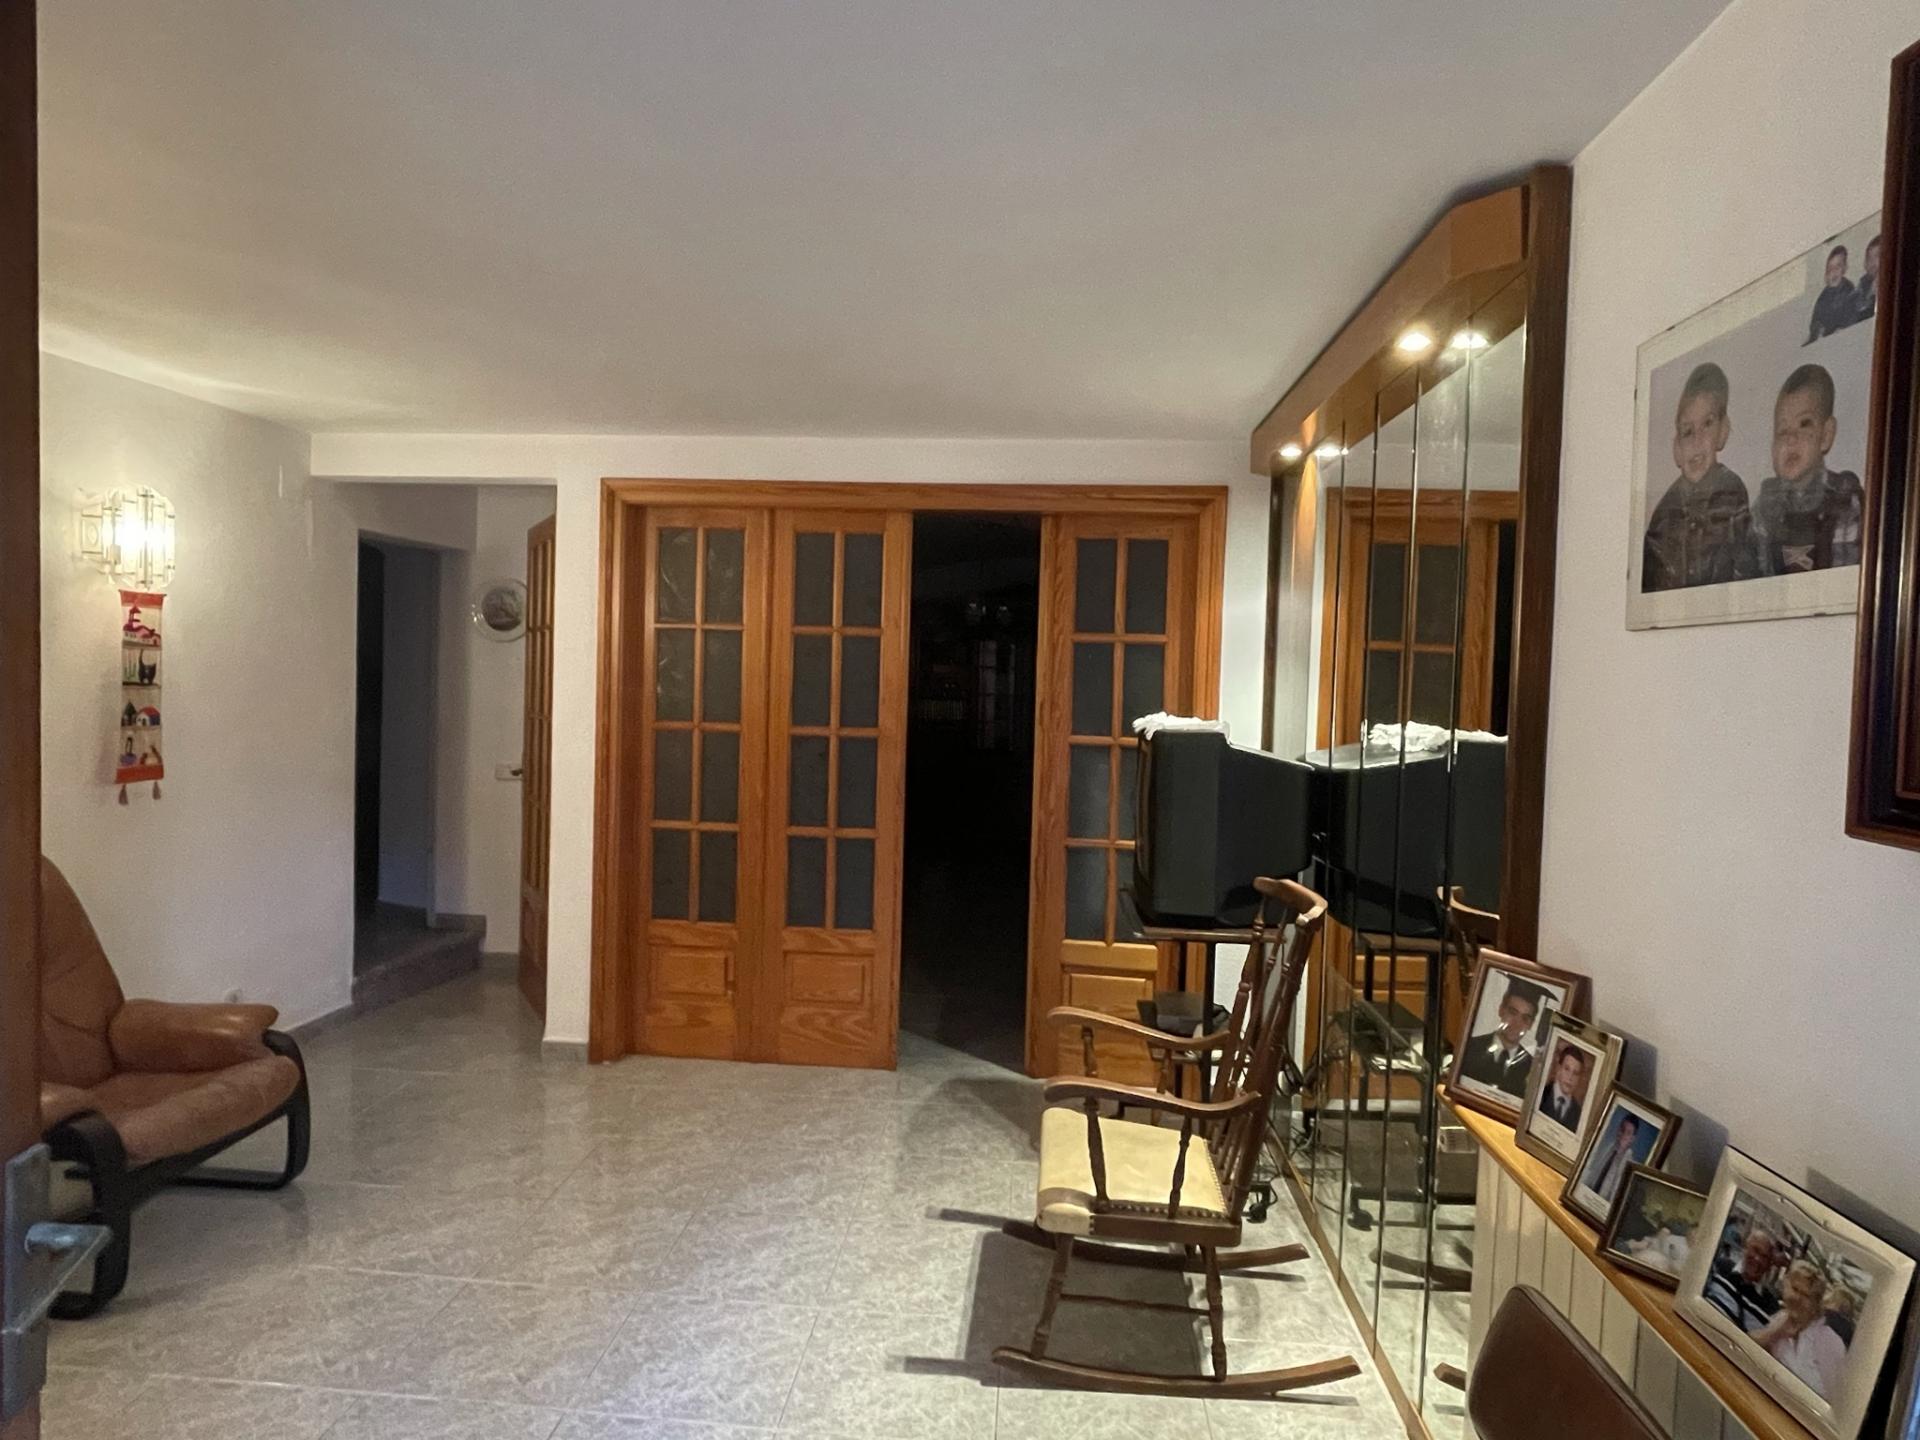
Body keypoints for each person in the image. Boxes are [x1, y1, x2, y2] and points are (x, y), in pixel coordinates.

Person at [1643, 362, 1757, 591]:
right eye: (1687, 431)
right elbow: (1649, 578)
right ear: (1677, 450)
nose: (1696, 440)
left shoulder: (1731, 490)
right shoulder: (1665, 510)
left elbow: (1745, 564)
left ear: (1723, 432)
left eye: (1707, 424)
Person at [1753, 364, 1865, 576]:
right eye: (1782, 430)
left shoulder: (1845, 501)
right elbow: (1757, 576)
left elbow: (1845, 579)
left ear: (1826, 435)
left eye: (1804, 424)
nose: (1790, 438)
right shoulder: (1765, 506)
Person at [1753, 1259, 1849, 1401]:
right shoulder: (1780, 1319)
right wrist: (1776, 1332)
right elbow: (1749, 1351)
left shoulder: (1830, 1342)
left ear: (1816, 1304)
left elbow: (1837, 1402)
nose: (1796, 1298)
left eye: (1806, 1296)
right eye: (1795, 1289)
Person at [1456, 978, 1547, 1101]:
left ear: (1531, 1024)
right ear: (1501, 1010)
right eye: (1513, 1012)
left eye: (1525, 1018)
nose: (1517, 1023)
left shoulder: (1532, 1068)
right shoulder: (1469, 1047)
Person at [1580, 1112, 1642, 1206]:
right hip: (1588, 1197)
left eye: (1628, 1133)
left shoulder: (1629, 1166)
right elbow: (1592, 1173)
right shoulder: (1607, 1148)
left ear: (1632, 1139)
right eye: (1622, 1129)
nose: (1623, 1135)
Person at [1807, 245, 1860, 342]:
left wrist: (1842, 329)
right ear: (1826, 274)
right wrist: (1817, 330)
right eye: (1830, 268)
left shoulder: (1849, 290)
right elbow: (1816, 319)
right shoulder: (1823, 296)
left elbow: (1852, 316)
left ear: (1845, 268)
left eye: (1838, 266)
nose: (1834, 271)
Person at [1537, 1044, 1588, 1132]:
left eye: (1575, 1073)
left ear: (1579, 1078)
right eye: (1567, 1069)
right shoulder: (1540, 1094)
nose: (1570, 1077)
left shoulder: (1579, 1114)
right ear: (1559, 1069)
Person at [1856, 235, 1881, 321]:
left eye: (1878, 255)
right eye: (1869, 258)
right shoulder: (1862, 285)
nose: (1873, 262)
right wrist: (1871, 294)